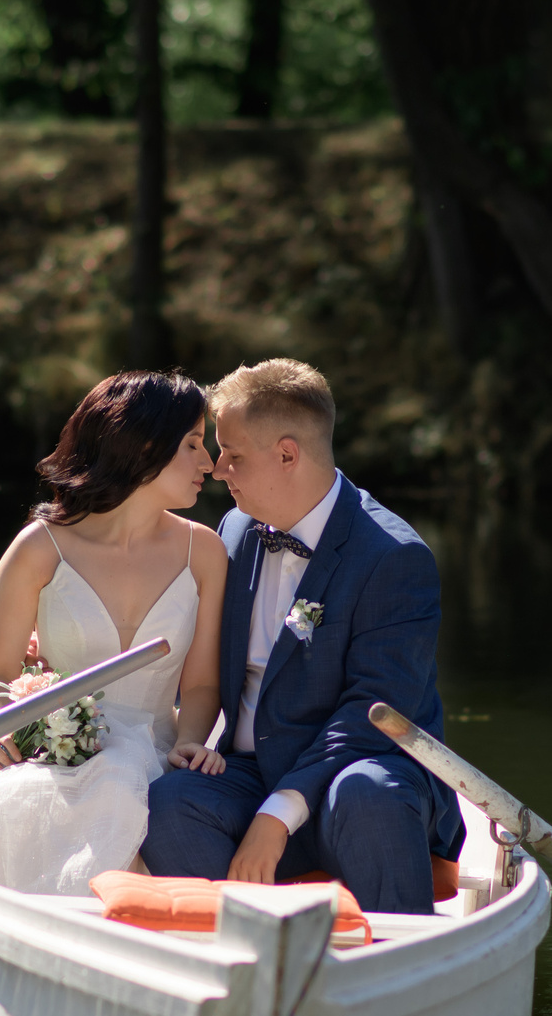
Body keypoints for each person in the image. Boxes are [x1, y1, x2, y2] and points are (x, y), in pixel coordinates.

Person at [140, 358, 462, 913]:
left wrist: (279, 812)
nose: (218, 470)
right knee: (170, 801)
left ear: (287, 454)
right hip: (247, 775)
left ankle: (397, 967)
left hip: (357, 777)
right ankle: (256, 958)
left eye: (234, 455)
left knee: (368, 795)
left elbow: (374, 711)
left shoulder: (393, 558)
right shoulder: (236, 530)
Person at [0, 371, 230, 894]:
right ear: (145, 445)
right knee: (22, 806)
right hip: (56, 754)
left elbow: (204, 684)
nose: (209, 464)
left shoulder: (205, 551)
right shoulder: (38, 549)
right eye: (192, 445)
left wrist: (188, 745)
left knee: (124, 786)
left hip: (157, 754)